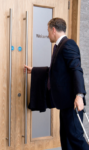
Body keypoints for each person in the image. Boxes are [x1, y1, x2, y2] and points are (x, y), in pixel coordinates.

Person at [24, 18, 89, 150]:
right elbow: (57, 71)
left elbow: (76, 69)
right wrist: (34, 71)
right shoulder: (59, 46)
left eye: (48, 31)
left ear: (54, 30)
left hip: (73, 103)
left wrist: (79, 95)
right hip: (64, 103)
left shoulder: (68, 44)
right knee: (66, 139)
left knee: (75, 137)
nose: (48, 34)